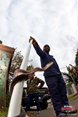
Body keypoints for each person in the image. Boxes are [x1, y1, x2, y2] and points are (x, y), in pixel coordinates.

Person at [29, 36, 76, 117]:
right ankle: (59, 113)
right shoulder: (43, 55)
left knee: (63, 93)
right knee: (55, 95)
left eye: (48, 46)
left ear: (49, 49)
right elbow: (39, 51)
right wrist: (35, 43)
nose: (46, 47)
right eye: (45, 46)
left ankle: (66, 110)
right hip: (50, 77)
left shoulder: (52, 58)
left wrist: (60, 75)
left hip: (59, 76)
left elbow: (57, 67)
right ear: (43, 49)